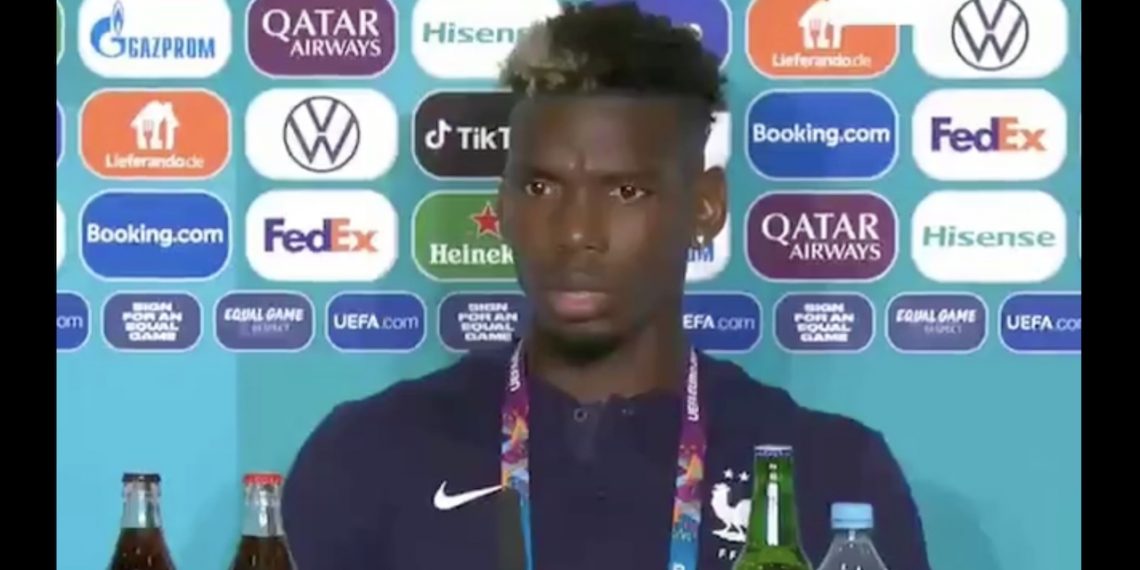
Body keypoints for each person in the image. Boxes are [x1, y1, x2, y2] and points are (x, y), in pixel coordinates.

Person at [281, 3, 932, 569]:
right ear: (502, 206)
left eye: (625, 191)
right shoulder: (367, 454)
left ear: (705, 206)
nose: (575, 233)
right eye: (541, 187)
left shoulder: (832, 473)